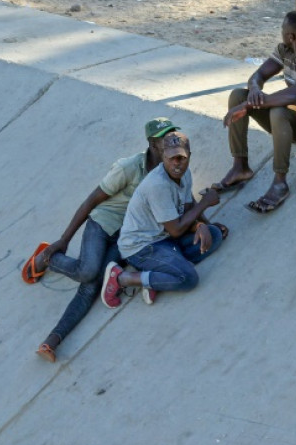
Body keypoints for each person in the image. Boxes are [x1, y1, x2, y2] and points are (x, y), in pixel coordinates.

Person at [21, 117, 179, 362]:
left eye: (172, 135)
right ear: (152, 143)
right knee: (88, 271)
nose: (171, 141)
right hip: (103, 224)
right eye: (164, 138)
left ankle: (51, 342)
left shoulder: (173, 168)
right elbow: (91, 201)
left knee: (92, 285)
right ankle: (48, 257)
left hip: (127, 237)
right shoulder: (129, 167)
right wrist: (64, 239)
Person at [214, 10, 296, 214]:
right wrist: (254, 89)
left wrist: (249, 106)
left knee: (278, 111)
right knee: (238, 95)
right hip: (291, 120)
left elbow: (294, 93)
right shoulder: (285, 49)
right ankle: (240, 166)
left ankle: (280, 182)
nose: (280, 32)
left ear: (291, 36)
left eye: (282, 29)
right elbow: (258, 75)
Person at [101, 131, 227, 307]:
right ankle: (123, 278)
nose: (176, 163)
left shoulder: (184, 174)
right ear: (163, 156)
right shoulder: (157, 185)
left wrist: (201, 225)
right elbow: (175, 229)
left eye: (181, 158)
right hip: (142, 247)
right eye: (170, 158)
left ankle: (159, 275)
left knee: (214, 234)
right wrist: (204, 203)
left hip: (165, 238)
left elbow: (186, 211)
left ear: (189, 156)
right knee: (188, 278)